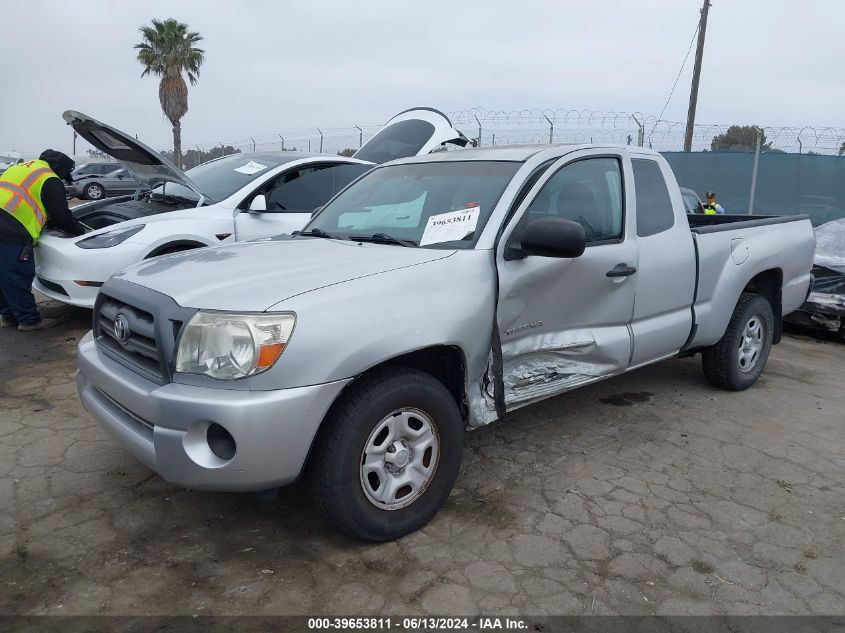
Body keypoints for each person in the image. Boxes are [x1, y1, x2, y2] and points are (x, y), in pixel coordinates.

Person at [0, 149, 87, 331]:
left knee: (4, 275)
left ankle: (8, 316)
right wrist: (80, 231)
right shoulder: (50, 179)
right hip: (11, 228)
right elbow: (61, 215)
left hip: (4, 223)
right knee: (17, 275)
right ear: (60, 169)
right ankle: (28, 320)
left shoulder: (22, 167)